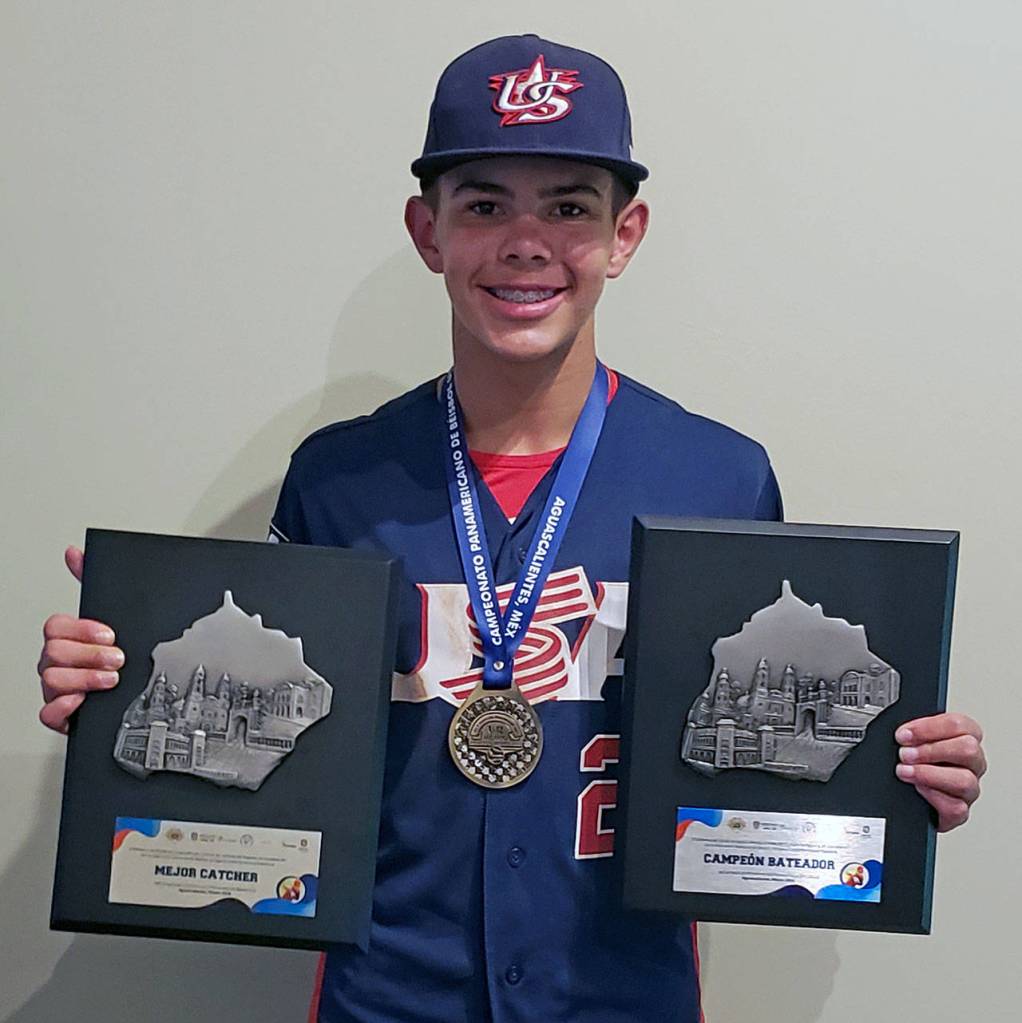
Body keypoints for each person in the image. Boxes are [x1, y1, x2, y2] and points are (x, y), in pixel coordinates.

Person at [36, 34, 986, 1023]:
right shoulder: (339, 479)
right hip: (387, 995)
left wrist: (897, 768)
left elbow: (771, 765)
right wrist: (118, 686)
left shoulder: (718, 477)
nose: (525, 242)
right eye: (484, 204)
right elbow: (271, 757)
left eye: (569, 207)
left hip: (619, 995)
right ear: (426, 230)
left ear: (625, 235)